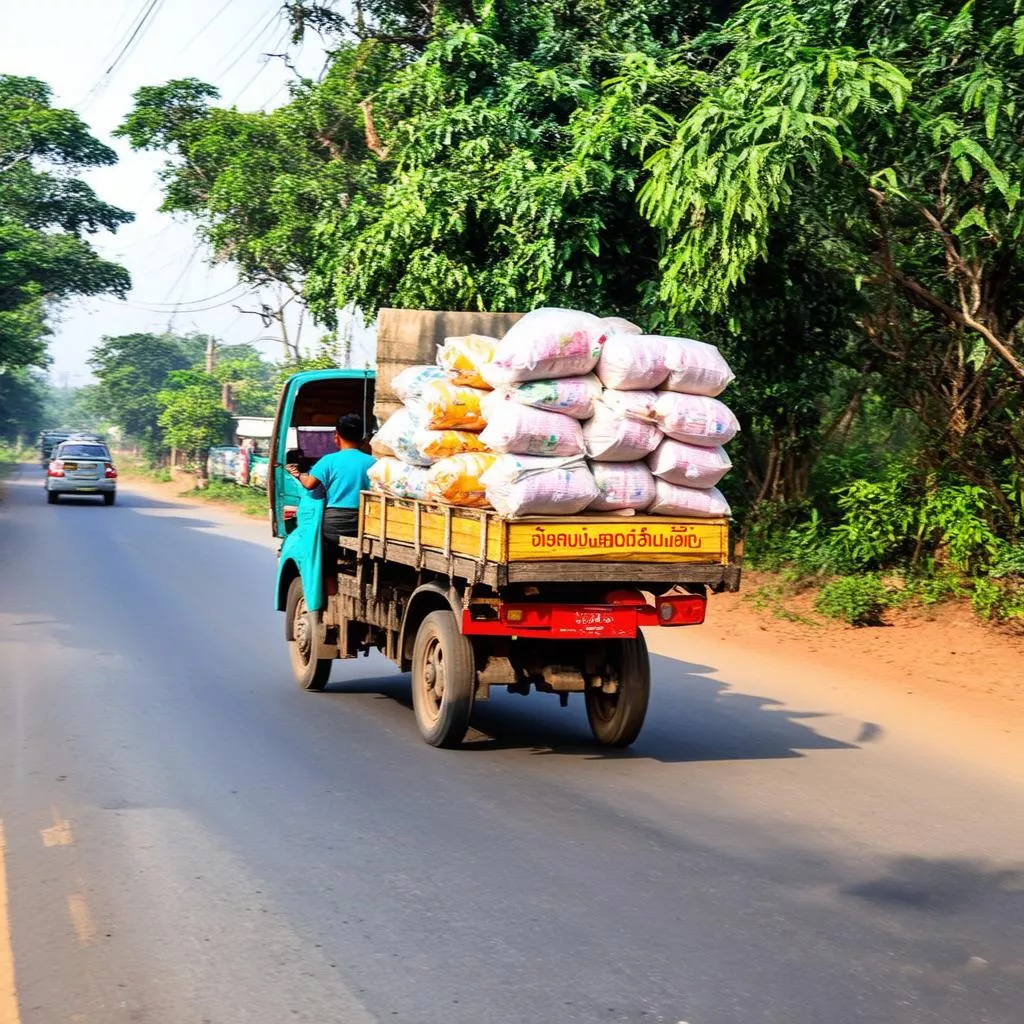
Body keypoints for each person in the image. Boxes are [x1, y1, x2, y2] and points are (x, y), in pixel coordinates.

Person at [285, 414, 375, 550]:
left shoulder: (328, 460)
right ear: (362, 438)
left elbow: (309, 484)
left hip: (334, 524)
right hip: (365, 522)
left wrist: (298, 475)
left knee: (320, 545)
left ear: (336, 436)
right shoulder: (373, 462)